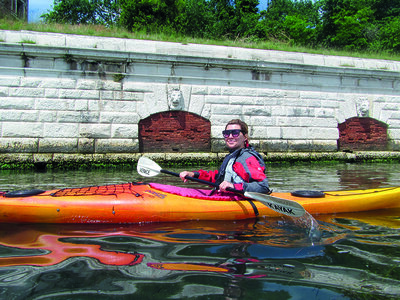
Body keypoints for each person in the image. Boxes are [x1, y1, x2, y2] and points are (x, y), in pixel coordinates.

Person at [179, 119, 270, 194]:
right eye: (227, 133)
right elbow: (217, 178)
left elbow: (263, 186)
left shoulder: (247, 158)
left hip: (239, 200)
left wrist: (234, 186)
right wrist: (193, 175)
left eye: (235, 133)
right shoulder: (232, 156)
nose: (230, 136)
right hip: (225, 196)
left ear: (245, 137)